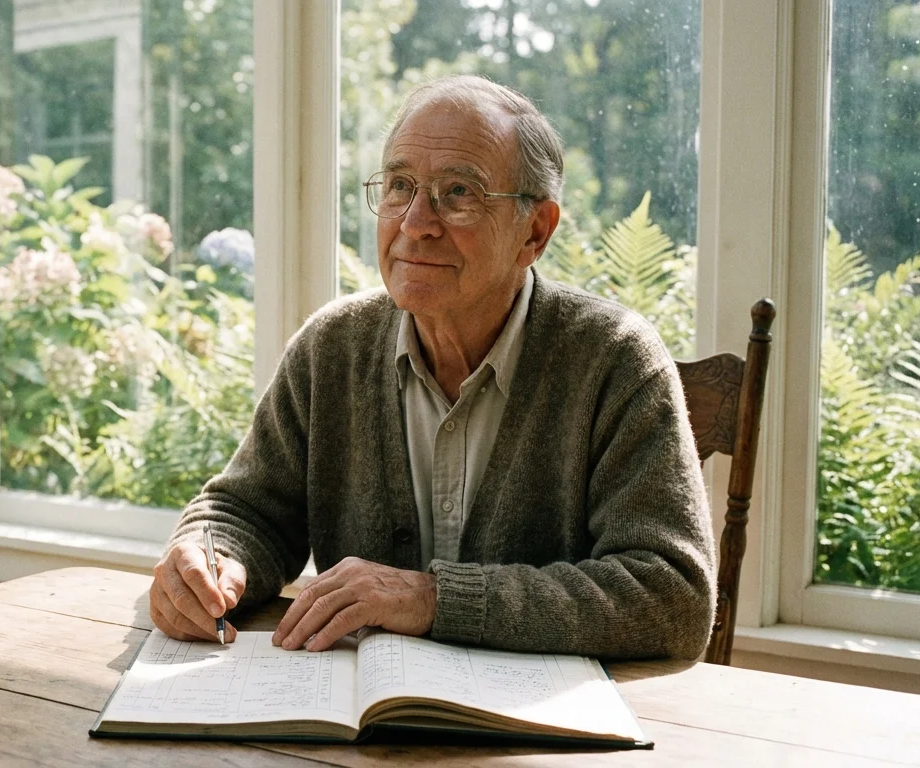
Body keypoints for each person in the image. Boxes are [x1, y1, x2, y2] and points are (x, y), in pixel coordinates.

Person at [149, 75, 716, 660]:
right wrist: (208, 556)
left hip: (533, 737)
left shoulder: (615, 358)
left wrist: (434, 600)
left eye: (459, 192)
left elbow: (673, 596)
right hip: (352, 733)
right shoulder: (331, 348)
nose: (416, 222)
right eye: (400, 186)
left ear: (535, 232)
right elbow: (247, 510)